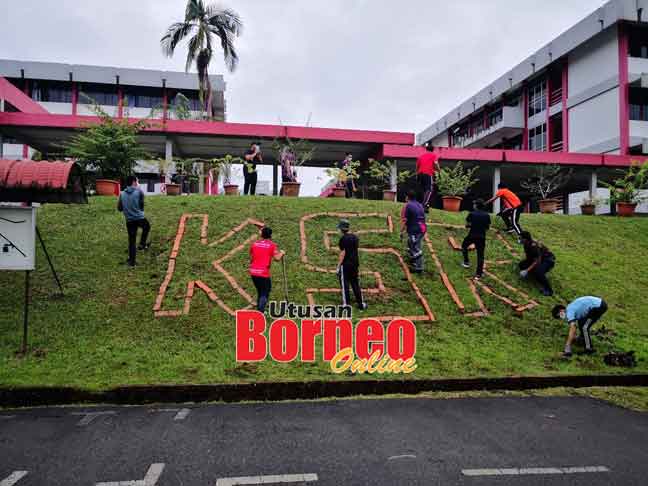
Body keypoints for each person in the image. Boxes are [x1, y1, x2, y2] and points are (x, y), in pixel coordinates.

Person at [249, 227, 285, 312]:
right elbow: (277, 258)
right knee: (265, 292)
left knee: (260, 291)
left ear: (261, 234)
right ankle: (260, 312)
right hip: (263, 273)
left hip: (253, 271)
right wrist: (282, 253)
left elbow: (251, 256)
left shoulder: (255, 244)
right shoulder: (272, 245)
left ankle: (259, 305)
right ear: (270, 235)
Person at [117, 175, 151, 267]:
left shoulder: (122, 194)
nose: (137, 183)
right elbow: (141, 205)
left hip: (129, 220)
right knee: (147, 227)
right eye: (136, 181)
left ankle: (132, 262)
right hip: (139, 218)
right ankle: (142, 244)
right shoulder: (139, 192)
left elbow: (119, 208)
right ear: (133, 182)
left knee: (131, 241)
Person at [336, 219, 368, 310]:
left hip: (346, 264)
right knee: (355, 283)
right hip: (355, 264)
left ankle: (346, 305)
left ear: (341, 229)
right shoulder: (355, 237)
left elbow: (343, 253)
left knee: (345, 284)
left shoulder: (343, 239)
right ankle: (361, 304)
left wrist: (338, 266)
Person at [461, 199, 491, 279]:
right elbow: (487, 227)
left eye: (474, 204)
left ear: (477, 205)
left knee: (464, 246)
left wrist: (470, 225)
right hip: (481, 237)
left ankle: (466, 262)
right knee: (480, 255)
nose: (473, 205)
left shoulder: (471, 214)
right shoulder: (487, 215)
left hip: (472, 235)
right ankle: (479, 274)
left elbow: (467, 225)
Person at [518, 231, 555, 296]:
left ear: (525, 239)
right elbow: (530, 257)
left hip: (548, 260)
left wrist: (527, 270)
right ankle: (535, 274)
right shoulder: (526, 243)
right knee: (522, 265)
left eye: (520, 238)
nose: (519, 239)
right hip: (540, 258)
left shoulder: (533, 246)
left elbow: (537, 261)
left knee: (538, 272)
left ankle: (549, 290)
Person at [401, 190, 427, 273]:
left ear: (407, 197)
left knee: (415, 247)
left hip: (415, 229)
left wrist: (401, 231)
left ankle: (419, 267)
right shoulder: (420, 204)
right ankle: (413, 258)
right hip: (422, 228)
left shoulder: (408, 206)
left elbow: (405, 220)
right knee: (411, 242)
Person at [415, 145, 440, 212]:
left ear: (426, 149)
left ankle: (422, 204)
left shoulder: (421, 156)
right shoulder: (433, 155)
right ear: (433, 150)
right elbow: (435, 163)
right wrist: (439, 170)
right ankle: (424, 204)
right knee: (429, 190)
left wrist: (417, 174)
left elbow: (417, 166)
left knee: (422, 190)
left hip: (420, 174)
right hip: (428, 174)